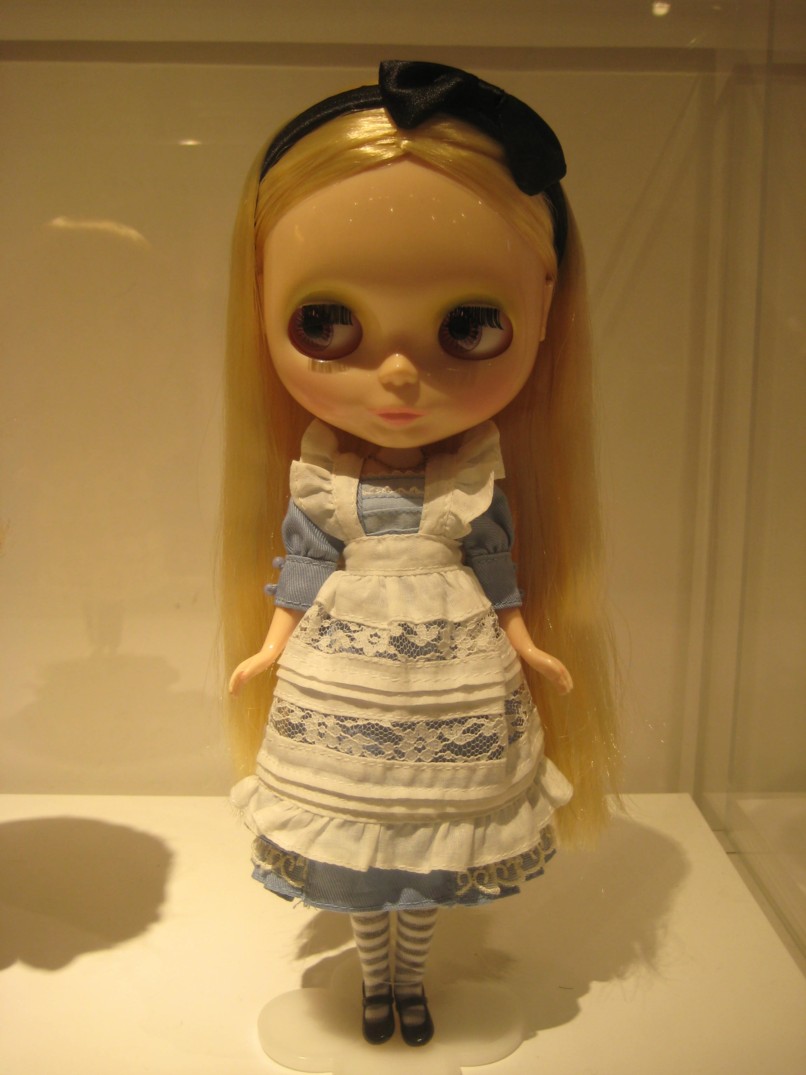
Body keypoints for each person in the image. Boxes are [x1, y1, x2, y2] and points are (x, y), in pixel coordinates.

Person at [223, 60, 619, 1047]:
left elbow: (495, 566)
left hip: (453, 674)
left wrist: (526, 641)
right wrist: (270, 644)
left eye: (468, 325)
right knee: (362, 855)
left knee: (429, 848)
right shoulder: (323, 477)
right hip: (346, 677)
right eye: (326, 322)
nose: (397, 373)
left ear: (544, 303)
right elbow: (304, 561)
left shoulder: (472, 478)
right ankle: (376, 982)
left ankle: (411, 980)